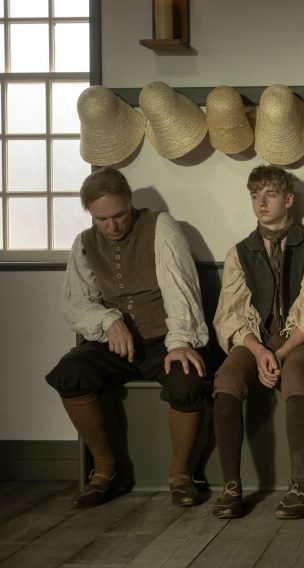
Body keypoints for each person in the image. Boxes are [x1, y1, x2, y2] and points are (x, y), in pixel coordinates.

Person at [46, 167, 209, 509]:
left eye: (119, 215)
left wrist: (180, 341)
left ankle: (181, 475)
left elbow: (180, 288)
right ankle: (105, 470)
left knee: (188, 380)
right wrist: (108, 320)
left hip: (163, 338)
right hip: (116, 343)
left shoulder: (160, 226)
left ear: (130, 202)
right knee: (69, 372)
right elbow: (75, 303)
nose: (112, 226)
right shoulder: (85, 243)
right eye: (102, 219)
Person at [210, 165, 304, 520]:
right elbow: (232, 313)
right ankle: (231, 487)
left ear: (289, 200)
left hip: (298, 339)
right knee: (227, 379)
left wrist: (280, 352)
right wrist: (259, 350)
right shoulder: (239, 253)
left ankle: (299, 487)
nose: (261, 203)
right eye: (255, 196)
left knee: (296, 377)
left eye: (270, 195)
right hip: (255, 340)